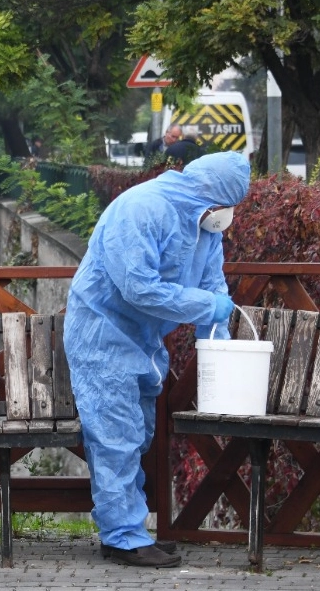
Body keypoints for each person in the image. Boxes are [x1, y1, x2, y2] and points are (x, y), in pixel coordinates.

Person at [64, 151, 249, 568]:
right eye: (225, 206)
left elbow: (212, 286)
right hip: (102, 334)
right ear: (209, 195)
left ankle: (128, 528)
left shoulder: (205, 223)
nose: (227, 216)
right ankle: (123, 537)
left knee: (139, 434)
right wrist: (207, 307)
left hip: (144, 341)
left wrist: (218, 344)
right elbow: (138, 288)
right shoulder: (142, 209)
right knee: (115, 438)